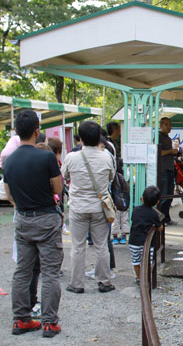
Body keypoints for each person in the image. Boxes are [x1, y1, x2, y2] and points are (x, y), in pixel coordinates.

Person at [4, 109, 63, 337]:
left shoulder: (9, 160)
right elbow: (57, 188)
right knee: (49, 272)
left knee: (22, 270)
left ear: (17, 132)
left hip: (23, 219)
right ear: (37, 130)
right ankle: (49, 322)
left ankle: (21, 319)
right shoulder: (47, 157)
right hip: (46, 218)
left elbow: (9, 194)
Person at [62, 121, 116, 294]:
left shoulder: (71, 157)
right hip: (100, 207)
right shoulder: (107, 156)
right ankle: (104, 281)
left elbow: (64, 175)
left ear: (81, 138)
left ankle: (77, 284)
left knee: (78, 246)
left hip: (78, 207)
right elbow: (111, 176)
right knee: (101, 245)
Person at [129, 186, 163, 285]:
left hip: (133, 241)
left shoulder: (135, 210)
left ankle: (139, 278)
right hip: (147, 243)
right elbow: (159, 227)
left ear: (142, 198)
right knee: (147, 262)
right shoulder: (153, 214)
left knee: (136, 261)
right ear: (157, 202)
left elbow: (133, 220)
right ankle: (147, 278)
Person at [157, 117, 178, 226]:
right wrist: (171, 151)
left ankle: (166, 218)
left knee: (169, 195)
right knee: (164, 195)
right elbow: (158, 152)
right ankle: (160, 219)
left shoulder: (168, 138)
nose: (169, 126)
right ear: (160, 125)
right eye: (166, 124)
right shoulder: (158, 137)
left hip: (170, 168)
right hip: (163, 169)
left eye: (170, 124)